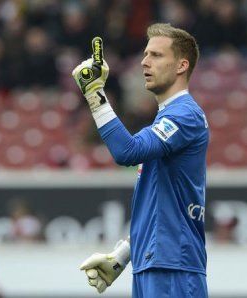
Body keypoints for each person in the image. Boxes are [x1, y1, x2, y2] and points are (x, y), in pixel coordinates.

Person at [72, 23, 209, 297]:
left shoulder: (185, 115)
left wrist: (95, 95)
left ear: (182, 65)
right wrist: (123, 255)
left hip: (173, 267)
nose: (145, 62)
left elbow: (127, 152)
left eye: (156, 55)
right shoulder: (168, 117)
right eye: (145, 54)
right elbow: (161, 205)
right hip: (155, 264)